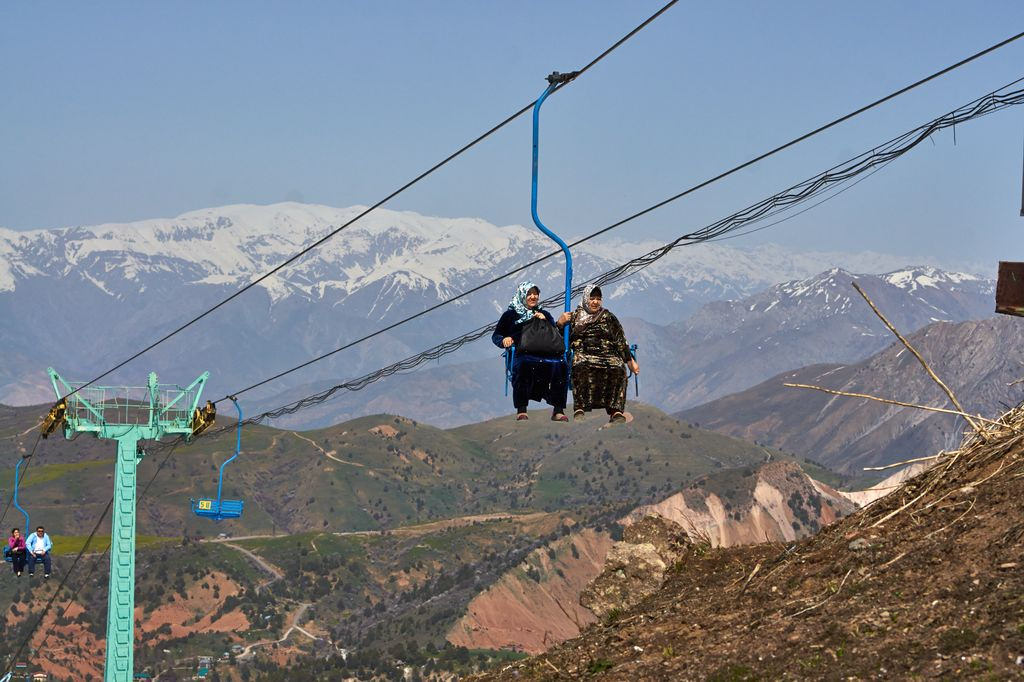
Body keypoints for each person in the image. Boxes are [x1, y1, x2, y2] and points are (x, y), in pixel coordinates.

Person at [558, 285, 639, 423]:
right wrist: (560, 323)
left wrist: (630, 361)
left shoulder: (608, 317)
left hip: (609, 353)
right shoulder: (574, 317)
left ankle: (616, 411)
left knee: (618, 368)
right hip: (584, 352)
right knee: (580, 365)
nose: (595, 302)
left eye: (598, 299)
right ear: (585, 299)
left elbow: (620, 339)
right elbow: (561, 339)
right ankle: (580, 407)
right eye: (592, 298)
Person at [492, 281, 569, 421]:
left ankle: (558, 410)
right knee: (524, 365)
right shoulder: (510, 315)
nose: (533, 297)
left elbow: (554, 334)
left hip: (547, 353)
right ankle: (522, 409)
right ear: (522, 295)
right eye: (529, 294)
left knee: (561, 366)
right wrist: (504, 340)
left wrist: (547, 321)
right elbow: (496, 335)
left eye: (536, 294)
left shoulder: (544, 313)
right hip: (524, 353)